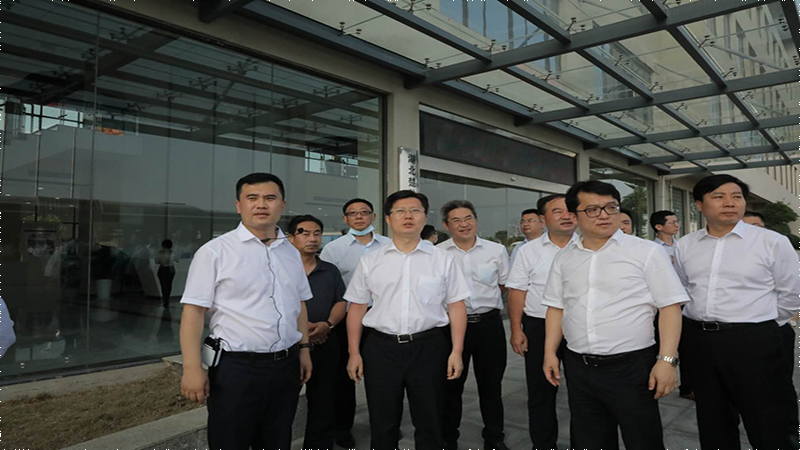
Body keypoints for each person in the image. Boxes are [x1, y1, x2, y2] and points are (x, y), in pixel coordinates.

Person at [542, 180, 687, 450]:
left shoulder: (645, 252)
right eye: (593, 210)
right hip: (579, 366)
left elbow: (669, 306)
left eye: (611, 207)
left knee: (643, 441)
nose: (605, 215)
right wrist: (550, 352)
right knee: (589, 441)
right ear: (574, 215)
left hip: (632, 367)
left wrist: (667, 360)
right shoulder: (564, 258)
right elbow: (556, 306)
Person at [179, 173, 313, 450]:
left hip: (286, 366)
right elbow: (193, 313)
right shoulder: (215, 252)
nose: (261, 204)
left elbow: (299, 304)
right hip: (236, 369)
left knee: (277, 439)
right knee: (230, 441)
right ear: (239, 205)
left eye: (270, 198)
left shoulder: (290, 252)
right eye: (252, 198)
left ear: (282, 204)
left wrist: (303, 350)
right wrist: (192, 368)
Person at [675, 174, 800, 450]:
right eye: (719, 197)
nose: (729, 203)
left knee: (768, 417)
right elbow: (684, 289)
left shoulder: (771, 242)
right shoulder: (686, 244)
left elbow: (792, 293)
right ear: (699, 205)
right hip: (700, 340)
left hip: (753, 340)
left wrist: (762, 323)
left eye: (737, 196)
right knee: (713, 416)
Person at [344, 190, 470, 450]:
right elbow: (356, 308)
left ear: (425, 217)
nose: (408, 216)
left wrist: (457, 351)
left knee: (430, 420)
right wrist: (354, 352)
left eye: (415, 210)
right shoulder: (371, 261)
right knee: (382, 421)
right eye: (400, 211)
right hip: (381, 349)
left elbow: (456, 306)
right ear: (388, 219)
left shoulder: (443, 259)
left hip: (429, 347)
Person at [438, 200, 511, 450]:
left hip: (488, 326)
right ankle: (448, 438)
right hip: (450, 327)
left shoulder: (495, 250)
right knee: (450, 385)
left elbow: (503, 284)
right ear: (446, 225)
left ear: (476, 220)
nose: (464, 224)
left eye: (468, 218)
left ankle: (494, 437)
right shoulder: (438, 253)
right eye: (456, 220)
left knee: (491, 385)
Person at [506, 194, 577, 450]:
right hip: (539, 327)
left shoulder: (590, 246)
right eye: (557, 211)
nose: (566, 215)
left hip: (580, 326)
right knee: (540, 391)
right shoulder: (529, 251)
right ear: (544, 219)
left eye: (570, 210)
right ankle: (544, 445)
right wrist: (517, 329)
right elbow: (517, 291)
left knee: (584, 392)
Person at [319, 197, 390, 449]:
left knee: (384, 379)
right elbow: (328, 287)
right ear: (345, 219)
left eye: (364, 212)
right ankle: (343, 428)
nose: (359, 217)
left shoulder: (389, 246)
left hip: (381, 320)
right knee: (344, 378)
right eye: (353, 213)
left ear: (373, 216)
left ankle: (385, 427)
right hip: (347, 320)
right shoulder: (333, 249)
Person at [288, 215, 347, 450]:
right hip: (289, 346)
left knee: (323, 401)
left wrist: (327, 325)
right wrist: (300, 329)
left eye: (317, 233)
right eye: (305, 233)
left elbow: (341, 301)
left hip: (324, 342)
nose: (312, 238)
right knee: (282, 402)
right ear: (291, 238)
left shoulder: (330, 270)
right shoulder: (281, 269)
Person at [155, 239, 177, 307]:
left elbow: (156, 261)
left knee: (163, 285)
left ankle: (165, 299)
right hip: (171, 269)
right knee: (169, 284)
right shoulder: (173, 253)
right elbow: (177, 259)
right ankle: (167, 298)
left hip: (162, 269)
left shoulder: (160, 253)